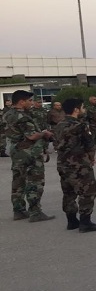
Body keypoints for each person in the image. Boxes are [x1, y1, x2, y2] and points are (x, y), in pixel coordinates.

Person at [4, 90, 55, 221]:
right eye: (29, 100)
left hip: (16, 151)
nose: (31, 103)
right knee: (35, 181)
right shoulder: (23, 117)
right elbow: (31, 135)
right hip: (29, 152)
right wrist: (44, 134)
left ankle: (18, 210)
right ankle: (35, 212)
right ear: (21, 101)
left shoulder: (8, 114)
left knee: (18, 181)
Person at [54, 98, 96, 232]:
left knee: (68, 192)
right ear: (76, 109)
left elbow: (55, 143)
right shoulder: (80, 125)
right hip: (79, 163)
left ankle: (71, 220)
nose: (84, 109)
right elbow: (89, 144)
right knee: (87, 191)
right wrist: (91, 158)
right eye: (82, 107)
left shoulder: (59, 125)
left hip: (63, 163)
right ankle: (85, 222)